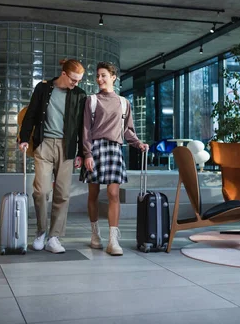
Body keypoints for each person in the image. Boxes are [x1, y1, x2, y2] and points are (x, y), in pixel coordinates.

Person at [19, 59, 87, 254]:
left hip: (67, 147)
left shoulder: (80, 95)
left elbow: (82, 126)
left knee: (62, 194)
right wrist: (24, 138)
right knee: (40, 191)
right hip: (44, 145)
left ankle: (54, 237)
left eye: (79, 80)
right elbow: (31, 113)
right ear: (64, 74)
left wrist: (81, 152)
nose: (76, 84)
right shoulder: (43, 88)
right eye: (74, 80)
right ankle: (40, 232)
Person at [81, 62, 148, 256]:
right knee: (93, 195)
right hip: (94, 149)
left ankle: (113, 241)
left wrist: (138, 144)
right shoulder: (91, 100)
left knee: (113, 195)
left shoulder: (123, 102)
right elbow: (85, 129)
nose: (99, 79)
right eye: (98, 76)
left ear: (113, 77)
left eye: (103, 75)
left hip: (114, 149)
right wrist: (87, 154)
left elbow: (128, 130)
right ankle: (95, 236)